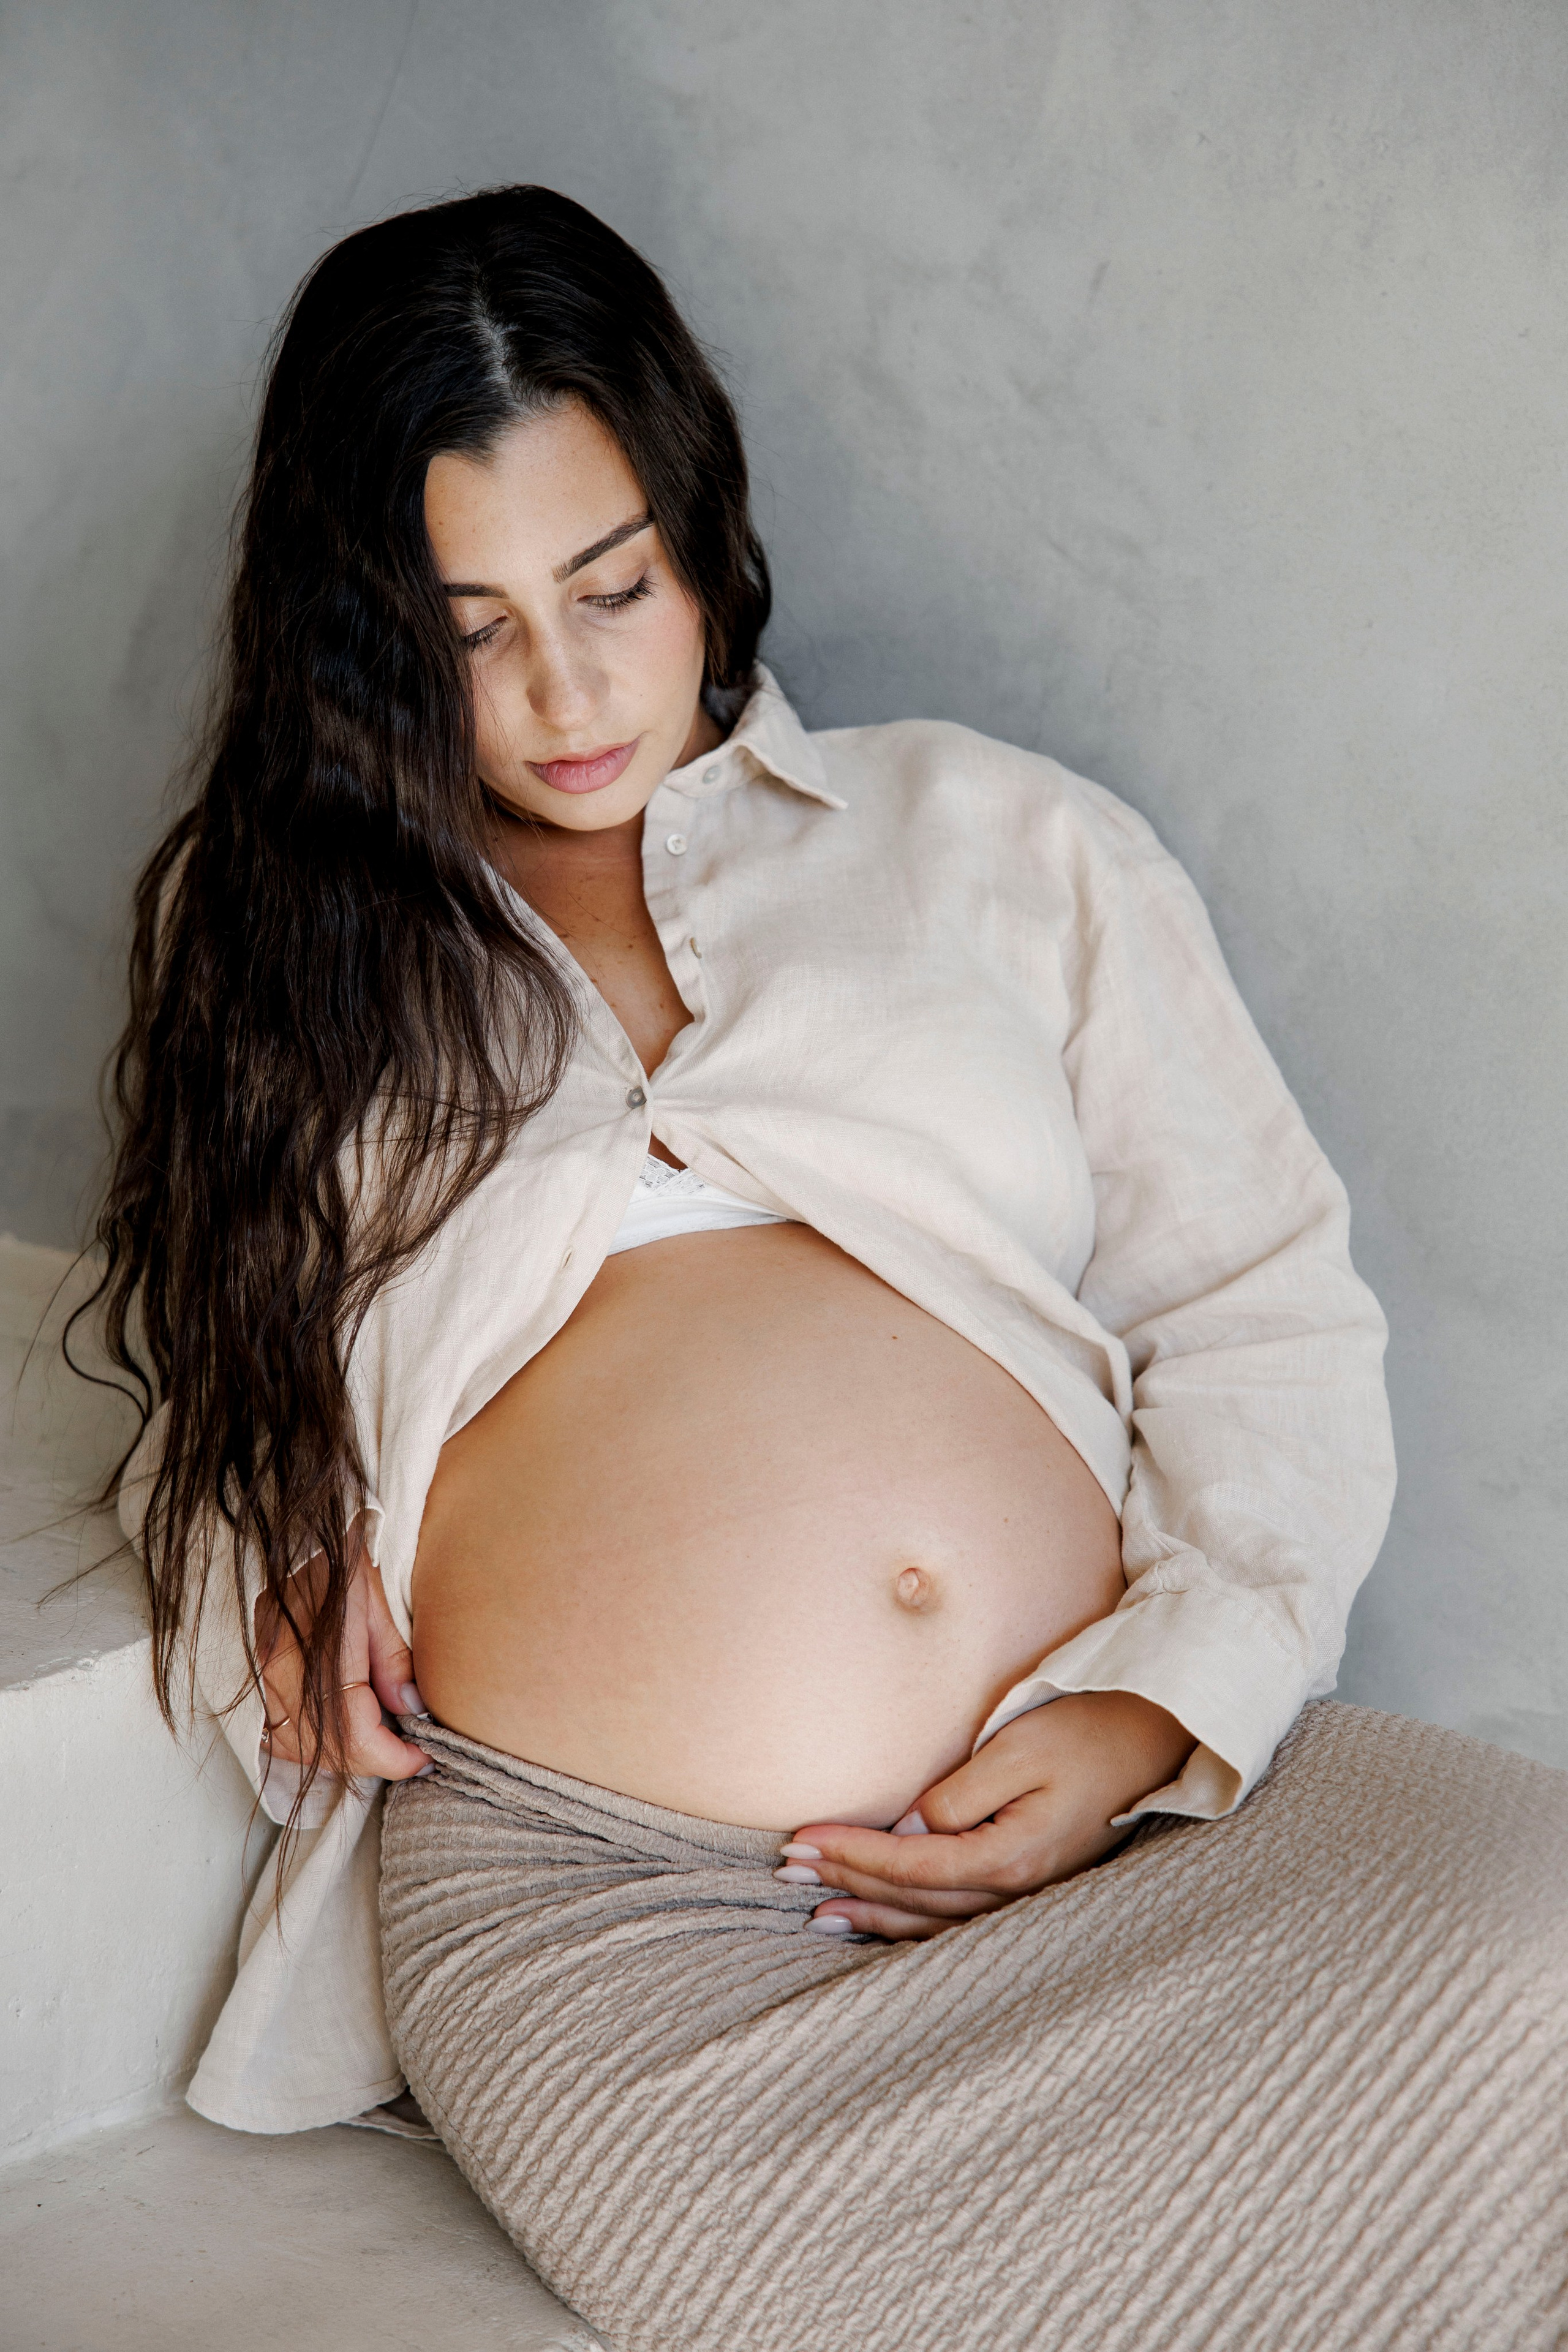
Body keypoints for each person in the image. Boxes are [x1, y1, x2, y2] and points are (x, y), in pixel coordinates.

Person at [100, 187, 1567, 2351]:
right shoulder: (284, 945)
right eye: (471, 625)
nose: (570, 686)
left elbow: (1257, 1311)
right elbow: (214, 1387)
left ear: (700, 530)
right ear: (366, 636)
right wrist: (284, 1560)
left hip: (1131, 1835)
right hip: (640, 1947)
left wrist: (1154, 1712)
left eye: (614, 585)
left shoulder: (1003, 841)